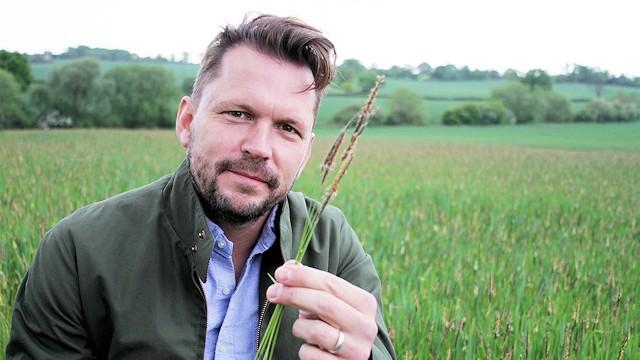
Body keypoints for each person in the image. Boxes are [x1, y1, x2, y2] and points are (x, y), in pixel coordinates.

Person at [7, 14, 396, 360]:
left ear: (307, 153)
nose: (259, 148)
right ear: (187, 122)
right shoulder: (79, 252)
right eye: (238, 113)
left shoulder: (332, 244)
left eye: (287, 128)